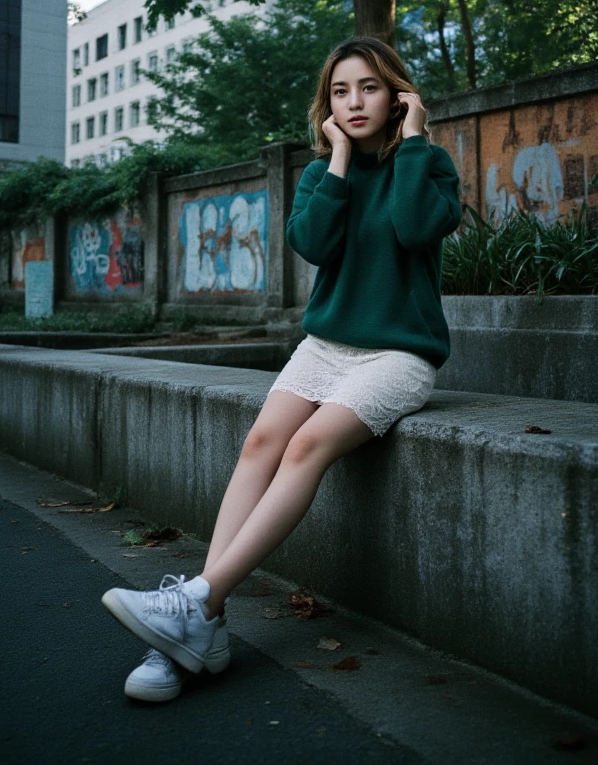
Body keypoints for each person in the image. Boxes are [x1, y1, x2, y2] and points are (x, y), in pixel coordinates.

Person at [102, 36, 463, 702]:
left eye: (371, 88)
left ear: (398, 96)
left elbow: (416, 229)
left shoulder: (430, 165)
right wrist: (342, 162)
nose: (355, 102)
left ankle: (196, 603)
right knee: (260, 443)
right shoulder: (322, 172)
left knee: (304, 445)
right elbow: (312, 243)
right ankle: (199, 621)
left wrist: (411, 140)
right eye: (341, 91)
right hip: (325, 346)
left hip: (399, 354)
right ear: (327, 105)